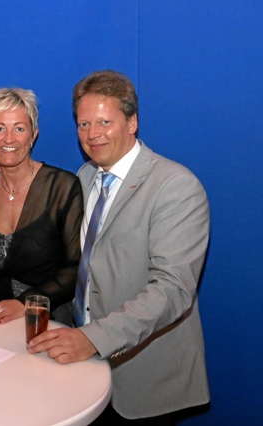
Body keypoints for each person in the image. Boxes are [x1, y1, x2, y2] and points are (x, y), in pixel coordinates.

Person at [27, 70, 210, 424]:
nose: (92, 134)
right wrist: (0, 171)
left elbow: (172, 290)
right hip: (83, 364)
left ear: (132, 122)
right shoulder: (85, 177)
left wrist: (94, 339)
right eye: (83, 124)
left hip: (145, 377)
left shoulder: (175, 186)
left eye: (104, 122)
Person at [0, 88, 83, 325]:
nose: (8, 139)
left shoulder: (62, 187)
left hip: (45, 318)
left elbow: (76, 268)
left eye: (19, 129)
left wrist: (25, 303)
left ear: (34, 135)